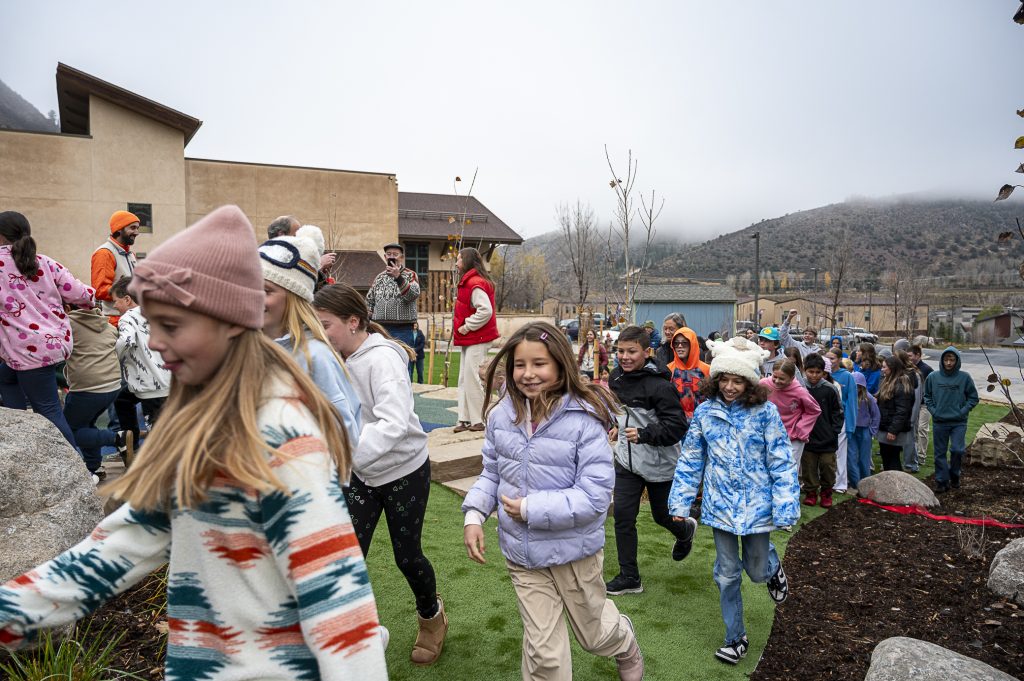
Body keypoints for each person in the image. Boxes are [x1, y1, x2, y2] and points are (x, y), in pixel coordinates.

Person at [0, 205, 388, 679]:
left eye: (173, 326)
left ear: (229, 321)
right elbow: (118, 546)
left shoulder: (281, 437)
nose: (156, 344)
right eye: (152, 323)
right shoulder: (201, 430)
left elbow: (340, 608)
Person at [462, 322, 645, 681]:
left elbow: (594, 497)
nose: (528, 374)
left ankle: (624, 642)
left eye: (539, 364)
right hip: (524, 555)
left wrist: (530, 508)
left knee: (596, 635)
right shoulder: (502, 415)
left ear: (561, 365)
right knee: (544, 654)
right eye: (519, 365)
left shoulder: (584, 419)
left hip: (574, 553)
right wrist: (473, 513)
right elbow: (491, 473)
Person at [313, 284, 447, 665]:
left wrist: (347, 456)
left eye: (325, 325)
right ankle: (350, 630)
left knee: (408, 557)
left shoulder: (382, 360)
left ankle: (432, 618)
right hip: (361, 474)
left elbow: (392, 422)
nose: (320, 335)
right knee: (349, 553)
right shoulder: (334, 357)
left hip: (403, 470)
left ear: (353, 322)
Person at [668, 336, 798, 665]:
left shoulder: (765, 414)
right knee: (726, 574)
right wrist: (680, 504)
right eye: (723, 379)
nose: (729, 387)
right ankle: (735, 638)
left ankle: (771, 568)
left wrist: (785, 505)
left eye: (737, 380)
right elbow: (690, 460)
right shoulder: (705, 413)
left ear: (749, 382)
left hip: (757, 506)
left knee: (755, 570)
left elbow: (781, 462)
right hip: (720, 506)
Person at [606, 325, 694, 596]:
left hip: (659, 463)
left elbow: (678, 426)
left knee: (662, 516)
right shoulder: (615, 378)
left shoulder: (660, 386)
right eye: (620, 351)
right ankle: (629, 576)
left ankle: (684, 531)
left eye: (632, 351)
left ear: (647, 352)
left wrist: (645, 434)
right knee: (622, 516)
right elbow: (620, 412)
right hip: (626, 461)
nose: (625, 356)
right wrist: (615, 425)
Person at [0, 211, 94, 446]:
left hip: (26, 350)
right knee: (6, 378)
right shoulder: (44, 262)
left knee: (49, 410)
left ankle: (76, 469)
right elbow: (82, 295)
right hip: (51, 344)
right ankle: (19, 433)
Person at [259, 233, 362, 445]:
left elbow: (345, 437)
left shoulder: (315, 357)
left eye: (266, 290)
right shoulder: (250, 349)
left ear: (293, 297)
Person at [63, 302, 129, 480]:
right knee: (86, 425)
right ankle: (94, 467)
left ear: (67, 307)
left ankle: (116, 438)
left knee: (67, 430)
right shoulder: (106, 324)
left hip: (88, 389)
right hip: (113, 384)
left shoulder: (66, 324)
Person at [111, 276, 171, 460]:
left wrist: (114, 357)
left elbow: (126, 341)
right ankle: (132, 443)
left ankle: (156, 461)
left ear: (127, 299)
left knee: (156, 429)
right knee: (122, 400)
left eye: (116, 301)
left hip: (149, 385)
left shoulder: (127, 317)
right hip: (168, 377)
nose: (115, 307)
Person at [452, 247, 499, 433]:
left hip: (477, 337)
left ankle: (479, 419)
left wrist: (467, 326)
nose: (456, 263)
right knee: (465, 378)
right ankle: (464, 418)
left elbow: (485, 310)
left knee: (473, 377)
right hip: (471, 338)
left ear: (467, 261)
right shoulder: (469, 282)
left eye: (459, 259)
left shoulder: (475, 283)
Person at [924, 347, 979, 493]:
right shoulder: (933, 377)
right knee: (939, 453)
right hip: (940, 421)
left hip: (958, 422)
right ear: (942, 360)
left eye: (952, 360)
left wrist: (963, 411)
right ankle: (942, 481)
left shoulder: (964, 377)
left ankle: (954, 475)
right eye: (946, 359)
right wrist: (934, 411)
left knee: (957, 450)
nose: (949, 363)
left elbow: (973, 398)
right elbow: (927, 396)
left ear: (957, 361)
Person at [799, 354, 844, 508]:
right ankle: (811, 492)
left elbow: (837, 412)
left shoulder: (830, 389)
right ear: (805, 371)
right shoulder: (800, 388)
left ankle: (826, 492)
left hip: (827, 438)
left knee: (827, 466)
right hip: (807, 436)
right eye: (810, 372)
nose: (814, 375)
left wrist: (834, 432)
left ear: (823, 373)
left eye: (818, 372)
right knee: (809, 466)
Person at [760, 360, 820, 468]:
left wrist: (801, 429)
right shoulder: (764, 384)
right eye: (775, 376)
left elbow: (814, 410)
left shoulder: (799, 392)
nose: (777, 381)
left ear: (792, 378)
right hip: (769, 433)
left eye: (782, 378)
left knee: (789, 468)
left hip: (793, 436)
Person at [366, 242, 420, 347]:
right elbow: (369, 301)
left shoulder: (410, 275)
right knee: (380, 361)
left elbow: (412, 295)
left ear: (402, 257)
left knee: (404, 360)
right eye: (389, 254)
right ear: (385, 257)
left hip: (402, 329)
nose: (392, 257)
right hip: (379, 328)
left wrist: (398, 277)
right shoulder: (379, 277)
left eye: (395, 254)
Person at [91, 210, 139, 325]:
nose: (137, 232)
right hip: (115, 321)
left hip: (133, 318)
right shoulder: (104, 253)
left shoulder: (131, 255)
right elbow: (100, 290)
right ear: (119, 229)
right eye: (132, 228)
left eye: (137, 228)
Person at [825, 349, 857, 494]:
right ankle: (826, 481)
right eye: (827, 358)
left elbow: (851, 401)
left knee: (840, 452)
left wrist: (850, 424)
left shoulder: (847, 377)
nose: (830, 361)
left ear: (839, 359)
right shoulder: (823, 375)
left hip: (841, 419)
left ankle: (840, 484)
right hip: (825, 418)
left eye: (832, 359)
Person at [875, 355, 915, 471]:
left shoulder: (901, 385)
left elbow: (902, 411)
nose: (882, 369)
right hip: (886, 426)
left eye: (884, 367)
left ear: (892, 368)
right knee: (886, 456)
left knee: (892, 459)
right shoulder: (888, 381)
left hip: (892, 430)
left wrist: (893, 430)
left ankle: (896, 487)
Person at [667, 326, 710, 420]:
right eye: (676, 343)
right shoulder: (669, 370)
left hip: (702, 419)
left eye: (684, 343)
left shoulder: (706, 369)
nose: (679, 346)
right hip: (677, 421)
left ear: (692, 344)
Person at [847, 371, 880, 489]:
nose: (856, 389)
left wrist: (872, 431)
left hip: (865, 431)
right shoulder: (848, 397)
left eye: (858, 386)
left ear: (862, 386)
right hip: (851, 431)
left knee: (864, 458)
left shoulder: (868, 398)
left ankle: (865, 482)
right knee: (851, 457)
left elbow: (876, 415)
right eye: (853, 386)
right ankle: (856, 483)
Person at [908, 344, 934, 466]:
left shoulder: (927, 369)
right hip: (913, 403)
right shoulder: (909, 369)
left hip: (925, 404)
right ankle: (913, 453)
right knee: (913, 428)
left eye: (910, 356)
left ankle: (922, 456)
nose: (908, 358)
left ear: (918, 355)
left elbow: (933, 386)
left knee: (922, 428)